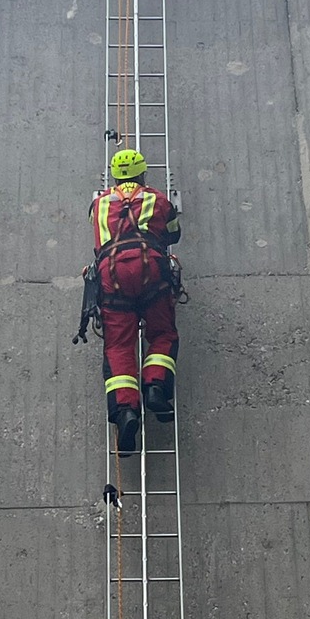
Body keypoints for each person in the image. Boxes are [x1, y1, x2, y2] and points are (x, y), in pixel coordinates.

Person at [89, 148, 181, 455]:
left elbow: (99, 243)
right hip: (150, 269)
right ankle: (155, 387)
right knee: (162, 333)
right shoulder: (157, 199)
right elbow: (173, 235)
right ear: (142, 174)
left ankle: (126, 411)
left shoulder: (99, 204)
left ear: (115, 176)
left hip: (110, 275)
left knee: (118, 346)